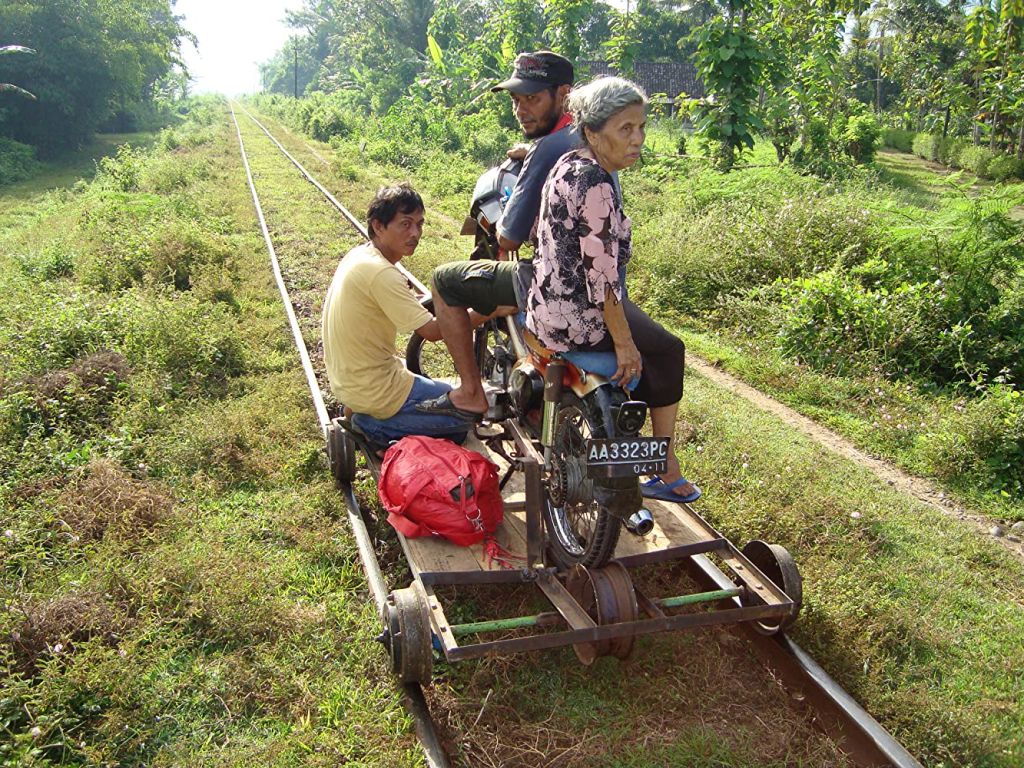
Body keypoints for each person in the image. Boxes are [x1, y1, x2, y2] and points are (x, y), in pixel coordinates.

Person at [525, 77, 700, 503]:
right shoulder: (597, 184)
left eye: (641, 127)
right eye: (626, 129)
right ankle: (664, 467)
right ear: (592, 131)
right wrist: (624, 344)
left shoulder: (567, 164)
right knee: (669, 350)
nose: (638, 139)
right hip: (579, 318)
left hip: (547, 307)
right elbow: (603, 282)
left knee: (650, 338)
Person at [417, 51, 578, 421]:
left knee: (444, 280)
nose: (521, 110)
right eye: (516, 101)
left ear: (564, 95)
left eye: (533, 99)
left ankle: (471, 392)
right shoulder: (592, 136)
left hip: (551, 282)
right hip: (598, 283)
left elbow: (507, 240)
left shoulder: (547, 149)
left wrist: (532, 158)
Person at [321, 184, 470, 450]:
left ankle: (364, 412)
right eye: (405, 224)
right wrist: (490, 311)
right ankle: (370, 426)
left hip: (355, 382)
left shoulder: (361, 255)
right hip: (376, 389)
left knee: (449, 397)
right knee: (463, 420)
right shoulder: (381, 273)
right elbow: (434, 332)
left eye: (419, 224)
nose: (415, 233)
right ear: (378, 226)